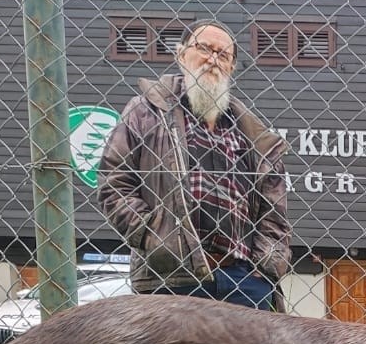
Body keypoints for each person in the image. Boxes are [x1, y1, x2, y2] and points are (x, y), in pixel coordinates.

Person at [97, 20, 291, 309]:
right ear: (181, 54)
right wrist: (152, 235)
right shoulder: (146, 112)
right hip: (171, 275)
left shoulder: (253, 134)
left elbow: (274, 212)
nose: (213, 59)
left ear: (231, 68)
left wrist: (264, 267)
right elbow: (114, 181)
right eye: (204, 48)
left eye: (223, 55)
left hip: (244, 279)